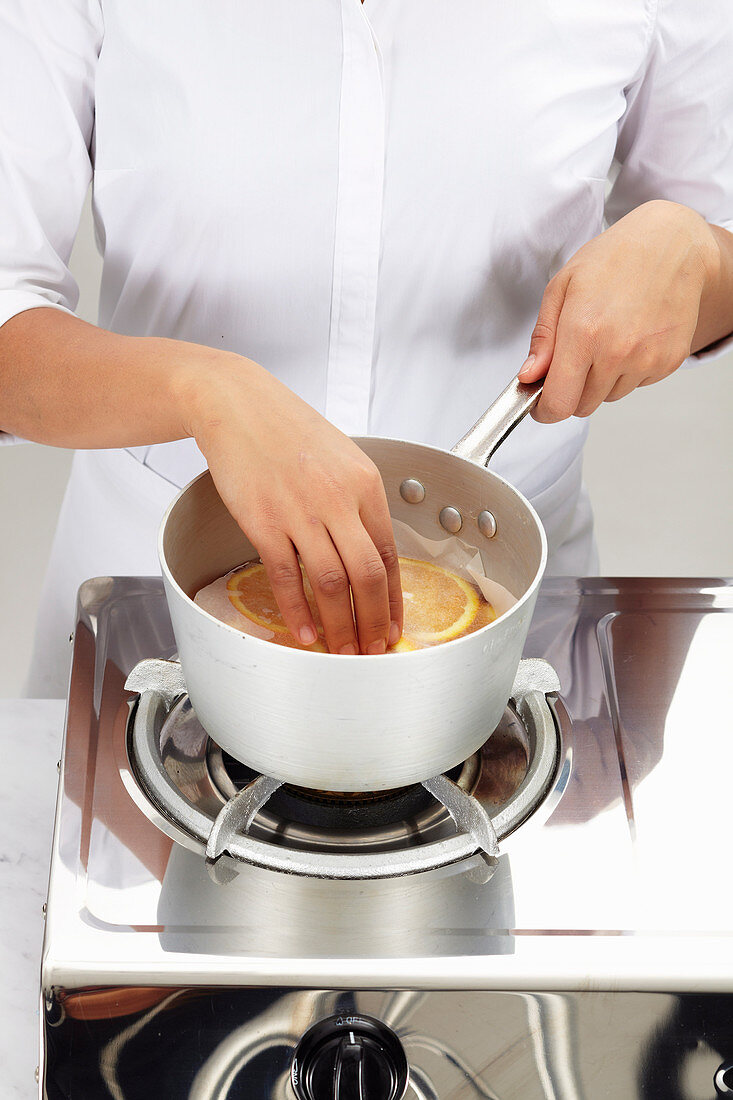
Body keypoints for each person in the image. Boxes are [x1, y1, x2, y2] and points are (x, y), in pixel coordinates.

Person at [1, 0, 732, 697]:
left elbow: (717, 240)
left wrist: (694, 252)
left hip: (506, 616)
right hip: (150, 602)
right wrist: (201, 391)